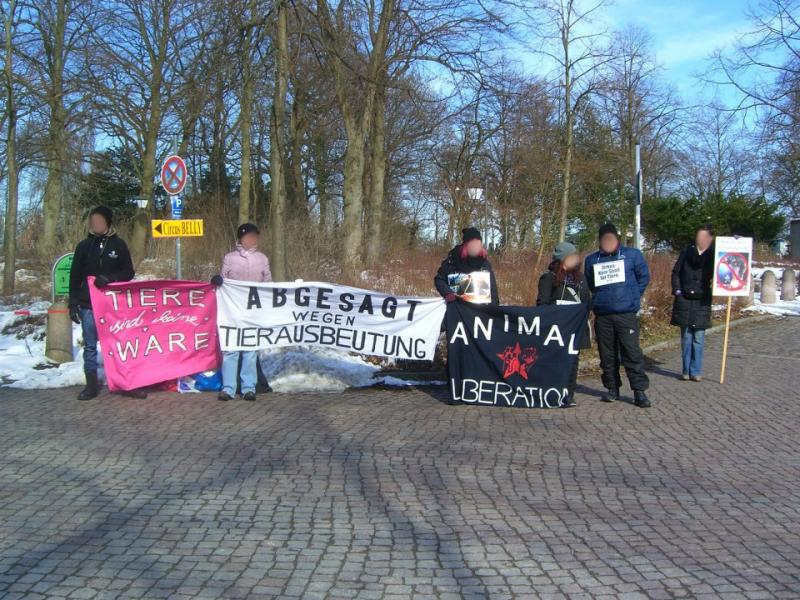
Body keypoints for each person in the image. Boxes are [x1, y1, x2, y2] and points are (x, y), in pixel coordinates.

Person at [68, 205, 136, 401]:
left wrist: (111, 278)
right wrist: (73, 304)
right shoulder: (83, 246)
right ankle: (91, 385)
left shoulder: (119, 245)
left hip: (112, 305)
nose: (96, 224)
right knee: (90, 345)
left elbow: (128, 272)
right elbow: (74, 277)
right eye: (93, 221)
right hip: (88, 304)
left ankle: (125, 382)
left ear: (107, 222)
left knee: (118, 344)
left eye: (99, 221)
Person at [584, 223, 651, 408]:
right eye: (604, 239)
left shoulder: (633, 255)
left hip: (626, 314)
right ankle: (612, 388)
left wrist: (633, 296)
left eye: (611, 239)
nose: (608, 243)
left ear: (617, 239)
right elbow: (590, 283)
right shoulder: (592, 260)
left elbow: (644, 277)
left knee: (632, 352)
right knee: (607, 355)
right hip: (603, 315)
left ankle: (639, 391)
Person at [211, 223, 272, 402]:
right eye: (248, 236)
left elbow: (268, 282)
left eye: (255, 236)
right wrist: (217, 281)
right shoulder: (229, 258)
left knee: (250, 350)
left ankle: (248, 388)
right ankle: (229, 388)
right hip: (232, 311)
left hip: (253, 311)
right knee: (231, 350)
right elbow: (223, 280)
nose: (252, 239)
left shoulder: (262, 258)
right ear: (240, 238)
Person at [536, 241, 591, 408]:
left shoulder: (580, 278)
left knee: (573, 360)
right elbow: (542, 304)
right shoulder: (549, 278)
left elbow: (587, 301)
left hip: (575, 327)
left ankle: (569, 393)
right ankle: (553, 391)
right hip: (556, 328)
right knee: (555, 360)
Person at [671, 224, 715, 381]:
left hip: (702, 301)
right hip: (685, 300)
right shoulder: (686, 252)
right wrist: (677, 291)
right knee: (687, 337)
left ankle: (695, 371)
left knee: (699, 338)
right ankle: (685, 369)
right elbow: (676, 272)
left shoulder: (713, 254)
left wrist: (735, 243)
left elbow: (726, 265)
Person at [434, 227, 499, 305]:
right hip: (457, 309)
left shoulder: (485, 264)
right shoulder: (453, 260)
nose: (475, 246)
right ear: (466, 245)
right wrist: (448, 293)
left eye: (478, 243)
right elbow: (439, 279)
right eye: (473, 243)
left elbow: (493, 292)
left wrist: (494, 309)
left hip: (479, 311)